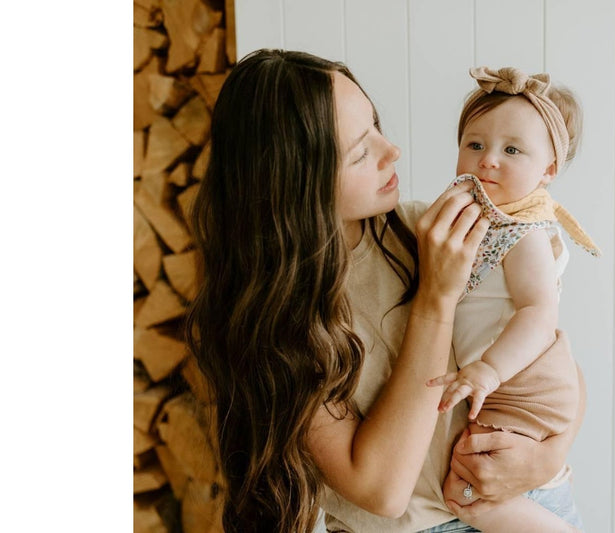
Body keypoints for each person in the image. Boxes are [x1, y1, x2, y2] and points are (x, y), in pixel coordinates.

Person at [185, 49, 586, 533]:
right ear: (294, 182)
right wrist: (434, 301)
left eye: (376, 124)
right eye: (359, 151)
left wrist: (547, 453)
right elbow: (382, 491)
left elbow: (547, 349)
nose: (391, 150)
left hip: (534, 500)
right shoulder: (271, 320)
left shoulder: (431, 227)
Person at [426, 67, 600, 532]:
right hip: (510, 382)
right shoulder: (481, 219)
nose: (488, 161)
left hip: (524, 387)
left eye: (512, 150)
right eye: (475, 145)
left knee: (469, 483)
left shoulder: (524, 232)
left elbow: (539, 312)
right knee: (475, 470)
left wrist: (488, 369)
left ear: (548, 170)